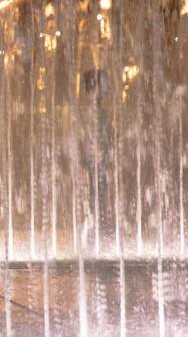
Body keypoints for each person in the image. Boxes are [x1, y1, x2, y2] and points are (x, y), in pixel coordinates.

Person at [79, 69, 114, 252]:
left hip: (97, 163)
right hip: (94, 164)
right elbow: (90, 139)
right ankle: (93, 237)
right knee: (96, 199)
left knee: (98, 198)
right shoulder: (93, 112)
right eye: (104, 85)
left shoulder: (97, 111)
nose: (107, 89)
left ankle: (95, 235)